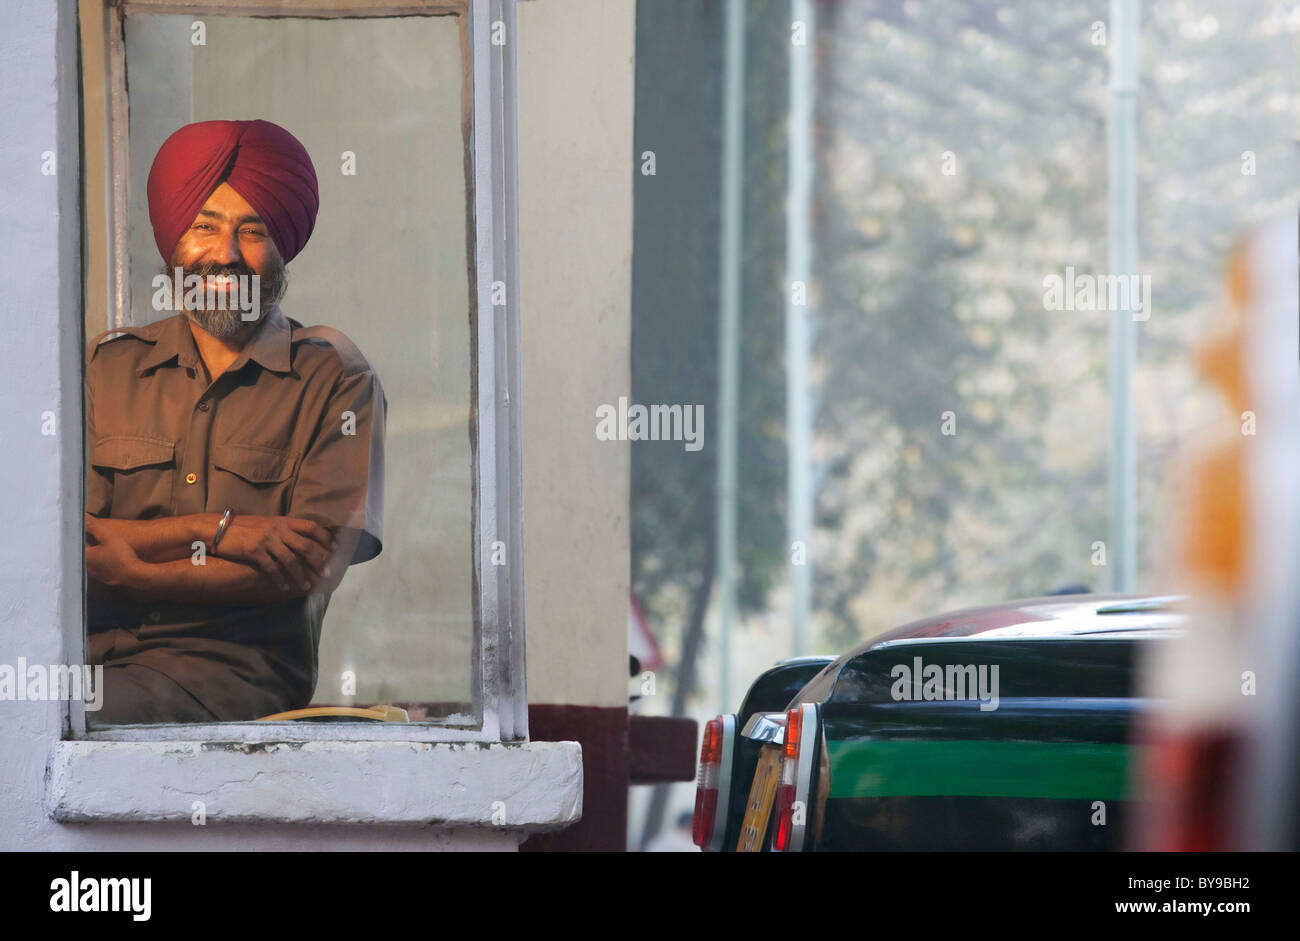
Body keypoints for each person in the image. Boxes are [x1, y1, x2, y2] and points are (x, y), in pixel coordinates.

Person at [83, 119, 386, 724]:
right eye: (204, 226)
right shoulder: (106, 367)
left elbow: (310, 565)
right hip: (86, 662)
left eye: (252, 230)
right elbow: (72, 543)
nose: (224, 254)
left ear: (282, 247)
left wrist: (136, 570)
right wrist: (220, 532)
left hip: (228, 684)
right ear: (173, 241)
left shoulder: (335, 377)